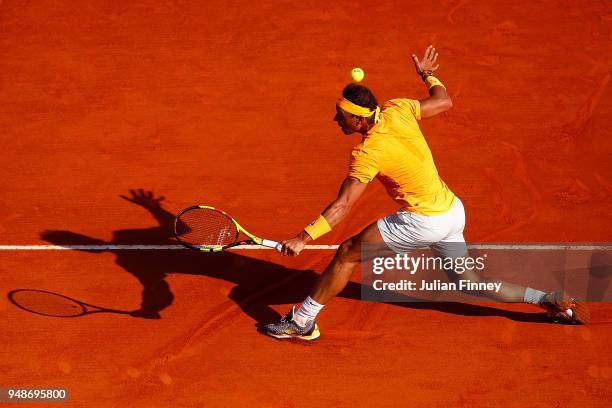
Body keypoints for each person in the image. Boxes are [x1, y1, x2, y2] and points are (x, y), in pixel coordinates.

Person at [261, 46, 589, 341]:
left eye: (341, 114)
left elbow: (344, 205)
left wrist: (305, 236)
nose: (336, 119)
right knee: (470, 282)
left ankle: (302, 321)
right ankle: (545, 299)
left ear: (359, 119)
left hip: (423, 220)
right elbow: (444, 100)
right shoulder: (398, 108)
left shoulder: (367, 153)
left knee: (347, 252)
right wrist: (429, 75)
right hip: (451, 210)